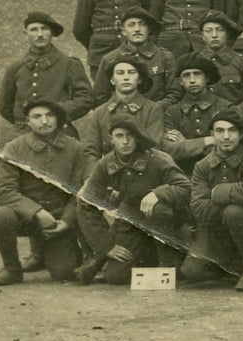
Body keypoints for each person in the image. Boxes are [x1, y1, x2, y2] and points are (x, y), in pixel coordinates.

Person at [75, 115, 190, 285]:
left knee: (159, 210)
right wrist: (107, 247)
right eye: (119, 136)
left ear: (138, 137)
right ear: (111, 139)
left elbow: (185, 187)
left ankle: (168, 264)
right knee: (116, 277)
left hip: (167, 222)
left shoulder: (158, 159)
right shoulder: (105, 164)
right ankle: (147, 253)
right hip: (133, 221)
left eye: (130, 135)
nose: (125, 141)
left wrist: (158, 193)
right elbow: (86, 204)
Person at [0, 98, 87, 285]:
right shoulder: (14, 147)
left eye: (50, 115)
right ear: (27, 121)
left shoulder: (76, 148)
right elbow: (6, 191)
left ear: (58, 119)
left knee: (64, 272)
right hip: (25, 217)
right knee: (0, 217)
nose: (44, 121)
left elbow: (80, 192)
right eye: (37, 116)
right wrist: (37, 212)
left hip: (58, 218)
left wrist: (66, 221)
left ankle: (47, 252)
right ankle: (11, 269)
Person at [180, 108, 243, 291]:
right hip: (216, 229)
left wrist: (217, 193)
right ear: (212, 134)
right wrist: (237, 201)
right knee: (192, 272)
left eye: (232, 130)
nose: (226, 136)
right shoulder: (202, 166)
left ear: (241, 134)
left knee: (234, 212)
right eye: (220, 131)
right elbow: (198, 208)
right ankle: (233, 267)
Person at [0, 11, 94, 127]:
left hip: (59, 129)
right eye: (33, 29)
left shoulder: (70, 64)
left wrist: (57, 112)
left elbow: (85, 99)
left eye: (44, 29)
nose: (39, 34)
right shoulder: (15, 67)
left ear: (52, 33)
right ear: (25, 34)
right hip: (24, 133)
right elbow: (5, 108)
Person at [82, 58, 168, 161]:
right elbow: (91, 152)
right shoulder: (100, 112)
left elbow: (154, 147)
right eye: (120, 73)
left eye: (131, 73)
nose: (126, 77)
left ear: (140, 79)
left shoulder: (152, 109)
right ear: (112, 80)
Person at [93, 7, 180, 106]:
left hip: (157, 116)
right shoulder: (110, 59)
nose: (137, 29)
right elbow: (100, 97)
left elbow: (175, 94)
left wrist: (151, 110)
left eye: (142, 24)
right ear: (123, 31)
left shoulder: (164, 57)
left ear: (148, 29)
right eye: (131, 25)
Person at [162, 53, 230, 173]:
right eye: (186, 76)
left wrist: (186, 144)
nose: (192, 80)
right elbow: (169, 149)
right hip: (185, 173)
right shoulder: (172, 112)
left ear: (207, 78)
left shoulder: (225, 107)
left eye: (197, 74)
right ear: (180, 81)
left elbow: (229, 145)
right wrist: (209, 140)